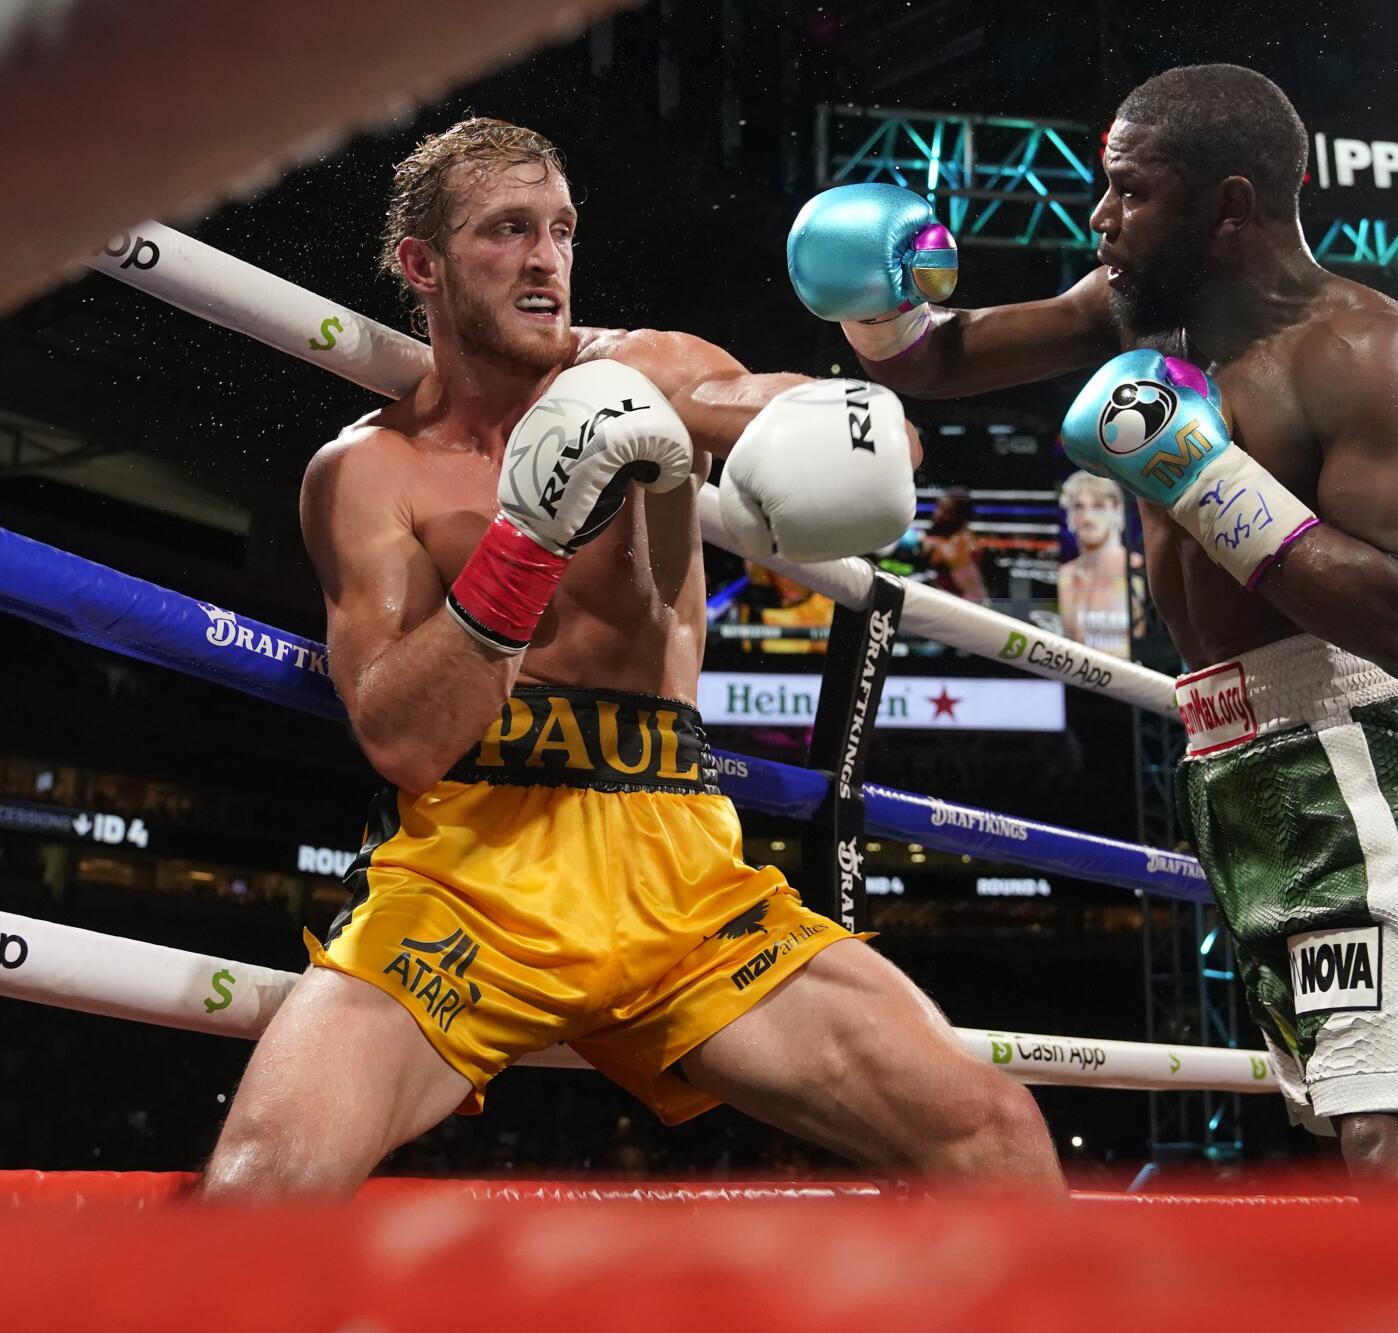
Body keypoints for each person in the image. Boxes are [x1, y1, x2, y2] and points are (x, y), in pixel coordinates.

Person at [198, 117, 1060, 1198]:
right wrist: (526, 540)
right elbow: (404, 739)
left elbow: (796, 417)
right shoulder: (369, 472)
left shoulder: (644, 371)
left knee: (992, 1131)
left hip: (683, 877)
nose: (545, 259)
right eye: (507, 231)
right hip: (469, 880)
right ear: (421, 265)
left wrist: (858, 411)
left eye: (559, 229)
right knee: (259, 1187)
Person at [790, 65, 1398, 1196]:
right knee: (1397, 1138)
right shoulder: (1139, 311)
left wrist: (1202, 475)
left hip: (1356, 752)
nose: (1100, 218)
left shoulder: (1364, 353)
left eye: (1130, 194)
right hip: (1234, 759)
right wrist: (876, 298)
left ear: (1226, 206)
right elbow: (943, 359)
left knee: (1385, 1131)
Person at [1056, 470, 1133, 658]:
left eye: (1098, 507)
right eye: (1079, 507)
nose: (1088, 517)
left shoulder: (1138, 569)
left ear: (1116, 510)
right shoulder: (1066, 575)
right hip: (1081, 682)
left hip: (1135, 681)